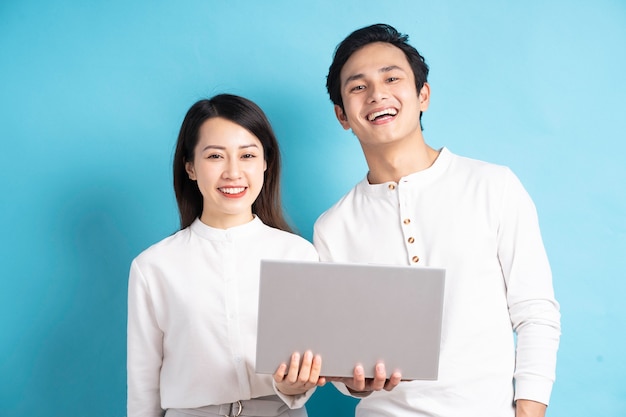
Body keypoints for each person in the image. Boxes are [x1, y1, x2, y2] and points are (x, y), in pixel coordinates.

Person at [313, 24, 561, 417]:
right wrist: (352, 383)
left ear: (422, 95)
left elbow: (536, 312)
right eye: (358, 87)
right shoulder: (332, 226)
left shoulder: (493, 185)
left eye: (392, 78)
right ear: (342, 115)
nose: (377, 94)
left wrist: (529, 410)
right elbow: (344, 368)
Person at [127, 94, 325, 417]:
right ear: (190, 167)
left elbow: (308, 363)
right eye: (216, 156)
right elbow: (142, 390)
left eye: (247, 155)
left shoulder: (298, 255)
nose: (233, 172)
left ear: (265, 163)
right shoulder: (153, 267)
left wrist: (294, 387)